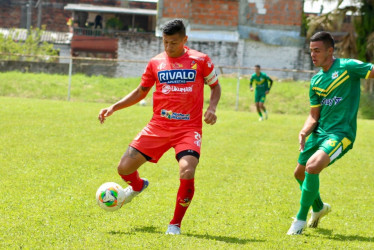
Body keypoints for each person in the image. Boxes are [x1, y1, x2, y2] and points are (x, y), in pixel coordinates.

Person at [98, 19, 221, 235]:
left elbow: (215, 86)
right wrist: (114, 107)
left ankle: (175, 224)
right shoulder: (155, 62)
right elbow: (140, 91)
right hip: (158, 127)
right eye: (164, 42)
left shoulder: (200, 60)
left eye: (173, 42)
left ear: (185, 39)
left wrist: (212, 108)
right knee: (124, 168)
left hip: (187, 129)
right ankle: (137, 186)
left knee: (187, 169)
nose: (168, 47)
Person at [287, 31, 374, 235]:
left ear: (330, 50)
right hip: (320, 133)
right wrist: (304, 131)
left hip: (341, 134)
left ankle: (299, 221)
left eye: (317, 51)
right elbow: (313, 116)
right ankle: (318, 208)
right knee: (299, 173)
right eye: (311, 51)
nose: (313, 55)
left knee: (312, 166)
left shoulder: (347, 67)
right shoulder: (316, 80)